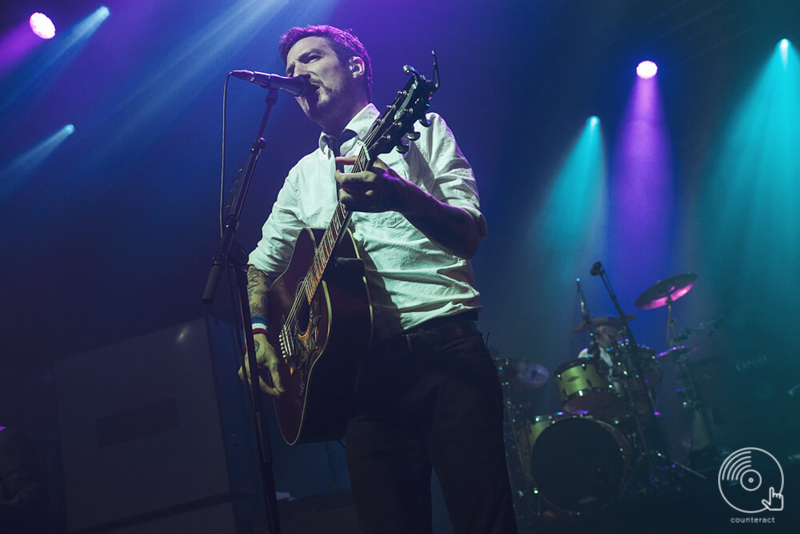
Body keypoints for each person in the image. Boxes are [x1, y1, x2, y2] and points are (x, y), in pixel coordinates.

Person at [240, 24, 517, 534]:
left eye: (312, 58)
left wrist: (401, 195)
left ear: (357, 66)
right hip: (361, 382)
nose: (296, 73)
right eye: (290, 68)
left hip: (445, 355)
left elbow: (470, 232)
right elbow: (260, 264)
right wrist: (260, 332)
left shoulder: (421, 127)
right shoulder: (302, 177)